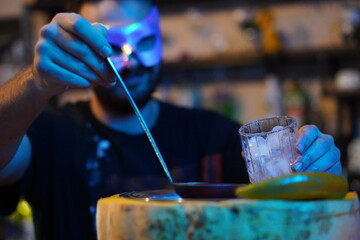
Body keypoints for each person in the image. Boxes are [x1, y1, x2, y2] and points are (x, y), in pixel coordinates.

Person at [0, 0, 341, 239]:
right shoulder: (49, 134)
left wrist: (314, 176)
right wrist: (35, 83)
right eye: (112, 46)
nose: (130, 62)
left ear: (161, 41)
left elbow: (282, 212)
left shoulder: (212, 135)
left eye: (144, 41)